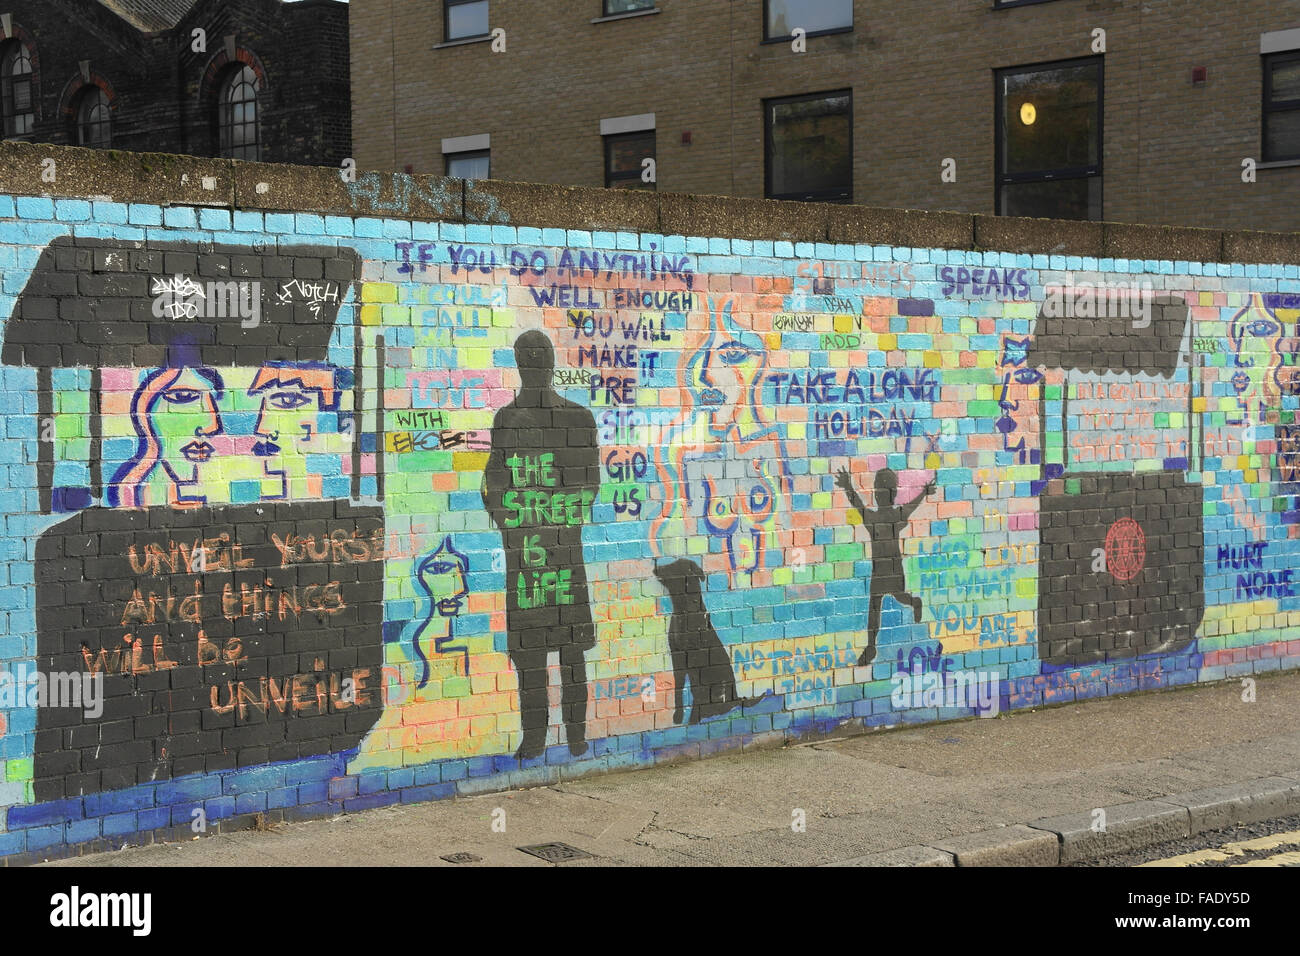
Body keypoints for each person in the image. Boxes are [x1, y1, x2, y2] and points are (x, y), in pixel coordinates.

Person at [482, 330, 600, 760]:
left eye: (537, 361)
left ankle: (574, 737)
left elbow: (588, 486)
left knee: (569, 653)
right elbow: (494, 482)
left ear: (548, 365)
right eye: (527, 362)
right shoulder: (507, 421)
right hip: (529, 555)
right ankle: (537, 738)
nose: (533, 368)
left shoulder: (577, 419)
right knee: (531, 654)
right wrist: (513, 522)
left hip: (558, 556)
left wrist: (539, 520)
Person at [836, 466, 934, 665]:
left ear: (884, 494)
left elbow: (859, 504)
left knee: (898, 596)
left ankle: (914, 602)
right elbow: (858, 504)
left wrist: (848, 486)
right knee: (875, 606)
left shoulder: (888, 517)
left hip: (892, 571)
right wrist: (848, 486)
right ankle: (871, 647)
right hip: (880, 572)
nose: (878, 494)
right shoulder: (879, 518)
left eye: (880, 490)